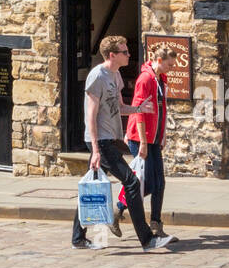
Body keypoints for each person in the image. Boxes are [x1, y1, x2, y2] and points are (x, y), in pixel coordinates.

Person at [72, 35, 176, 252]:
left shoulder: (116, 75)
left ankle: (78, 238)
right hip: (100, 140)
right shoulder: (97, 76)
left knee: (91, 185)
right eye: (125, 52)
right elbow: (90, 115)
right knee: (132, 183)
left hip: (109, 139)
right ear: (112, 55)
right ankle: (147, 239)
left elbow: (120, 107)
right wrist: (95, 149)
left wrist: (139, 109)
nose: (129, 55)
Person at [114, 43, 177, 241]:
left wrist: (163, 134)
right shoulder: (145, 79)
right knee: (149, 182)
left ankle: (155, 225)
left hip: (154, 138)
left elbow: (161, 110)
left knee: (158, 183)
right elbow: (139, 110)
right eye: (169, 65)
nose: (171, 68)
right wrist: (142, 142)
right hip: (140, 137)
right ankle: (119, 210)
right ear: (159, 61)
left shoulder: (160, 78)